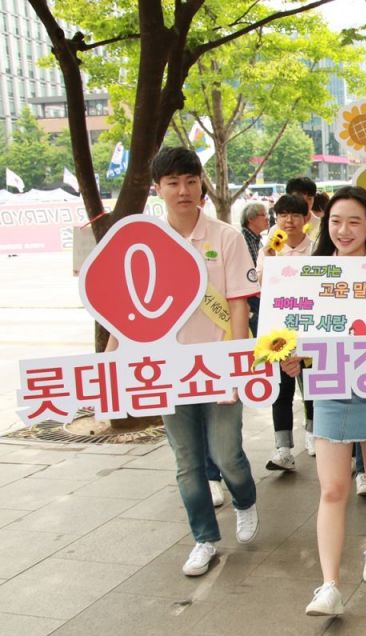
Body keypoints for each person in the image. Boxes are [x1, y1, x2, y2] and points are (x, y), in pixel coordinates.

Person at [109, 147, 260, 577]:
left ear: (201, 185)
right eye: (173, 183)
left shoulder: (225, 238)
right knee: (187, 462)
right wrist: (111, 364)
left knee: (227, 455)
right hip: (167, 370)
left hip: (217, 366)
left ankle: (245, 500)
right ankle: (204, 538)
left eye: (191, 181)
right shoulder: (144, 242)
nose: (183, 190)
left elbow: (238, 306)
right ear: (157, 188)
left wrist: (236, 365)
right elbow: (124, 312)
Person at [284, 186, 366, 617]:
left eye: (354, 221)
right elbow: (298, 334)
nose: (344, 230)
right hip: (330, 390)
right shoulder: (311, 273)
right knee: (333, 488)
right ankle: (329, 585)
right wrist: (293, 358)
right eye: (336, 221)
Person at [258, 194, 315, 469]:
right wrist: (270, 259)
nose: (288, 221)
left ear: (306, 218)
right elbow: (260, 284)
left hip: (310, 328)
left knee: (312, 383)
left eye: (294, 215)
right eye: (282, 215)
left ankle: (313, 433)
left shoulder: (317, 249)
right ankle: (283, 448)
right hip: (278, 330)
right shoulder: (270, 250)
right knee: (281, 387)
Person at [239, 202, 268, 338]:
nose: (267, 218)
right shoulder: (242, 240)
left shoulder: (257, 240)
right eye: (264, 215)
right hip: (250, 298)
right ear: (251, 219)